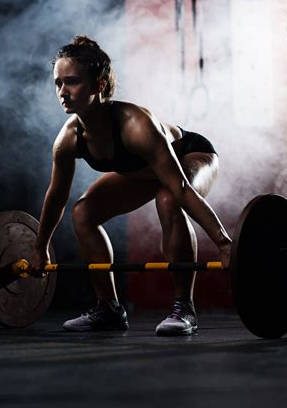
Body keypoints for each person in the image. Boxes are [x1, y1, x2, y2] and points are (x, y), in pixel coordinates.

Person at [31, 35, 232, 336]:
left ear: (98, 85)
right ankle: (108, 308)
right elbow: (57, 196)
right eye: (57, 83)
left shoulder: (135, 125)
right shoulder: (68, 139)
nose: (62, 92)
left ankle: (184, 308)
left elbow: (179, 187)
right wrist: (40, 247)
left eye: (71, 82)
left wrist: (224, 243)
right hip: (144, 173)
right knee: (83, 212)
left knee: (167, 199)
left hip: (190, 155)